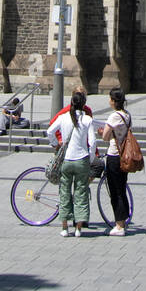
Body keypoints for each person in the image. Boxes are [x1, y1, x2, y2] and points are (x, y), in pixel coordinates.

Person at [46, 90, 95, 237]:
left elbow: (49, 131)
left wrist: (56, 144)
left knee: (64, 193)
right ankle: (78, 228)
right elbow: (92, 143)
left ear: (71, 103)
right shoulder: (87, 120)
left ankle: (64, 227)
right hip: (82, 160)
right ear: (84, 104)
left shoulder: (62, 117)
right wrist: (90, 159)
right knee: (81, 193)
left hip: (66, 160)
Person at [100, 88, 132, 237]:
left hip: (114, 155)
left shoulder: (114, 116)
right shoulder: (127, 115)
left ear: (114, 101)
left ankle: (119, 225)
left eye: (110, 98)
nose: (108, 101)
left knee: (115, 191)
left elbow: (105, 137)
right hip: (125, 155)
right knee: (122, 189)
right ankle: (123, 221)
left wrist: (102, 133)